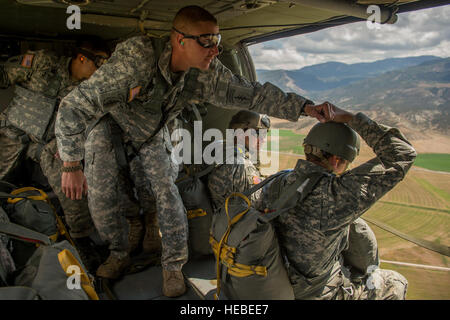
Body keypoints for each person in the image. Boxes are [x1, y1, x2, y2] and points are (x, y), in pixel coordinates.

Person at [55, 5, 337, 297]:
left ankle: (173, 266)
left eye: (217, 41)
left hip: (152, 129)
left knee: (166, 188)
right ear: (180, 40)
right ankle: (118, 253)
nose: (214, 50)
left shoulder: (204, 73)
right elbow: (74, 106)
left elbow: (251, 92)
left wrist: (305, 107)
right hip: (110, 124)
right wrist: (71, 164)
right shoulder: (137, 59)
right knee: (102, 191)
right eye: (206, 41)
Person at [262, 105, 417, 300]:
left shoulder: (276, 182)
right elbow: (403, 154)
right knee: (394, 282)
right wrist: (351, 118)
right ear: (336, 160)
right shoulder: (337, 194)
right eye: (346, 162)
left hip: (270, 282)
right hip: (311, 294)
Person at [0, 38, 109, 271]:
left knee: (71, 178)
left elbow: (90, 124)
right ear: (82, 58)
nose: (99, 73)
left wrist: (73, 150)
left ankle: (81, 237)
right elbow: (4, 74)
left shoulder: (88, 92)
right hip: (12, 133)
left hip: (47, 145)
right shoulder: (44, 63)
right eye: (98, 66)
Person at [83, 115, 161, 279]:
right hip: (99, 129)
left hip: (141, 121)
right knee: (112, 190)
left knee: (146, 181)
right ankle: (129, 235)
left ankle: (152, 224)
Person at [208, 110, 270, 211]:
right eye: (258, 133)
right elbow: (258, 205)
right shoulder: (240, 164)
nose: (263, 139)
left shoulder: (221, 149)